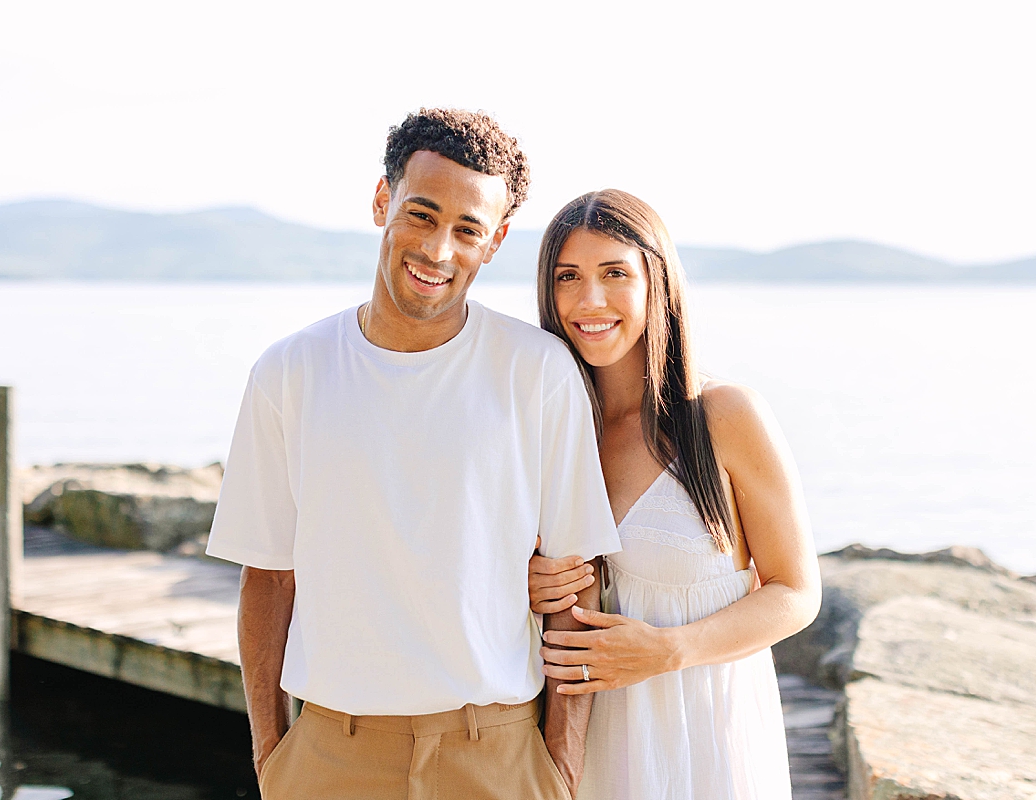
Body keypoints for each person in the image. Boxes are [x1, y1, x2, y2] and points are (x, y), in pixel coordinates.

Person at [206, 109, 620, 800]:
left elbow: (574, 584)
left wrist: (563, 769)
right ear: (382, 201)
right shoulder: (289, 372)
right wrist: (271, 757)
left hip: (498, 755)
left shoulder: (537, 371)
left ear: (495, 243)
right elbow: (268, 576)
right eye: (422, 216)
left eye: (467, 230)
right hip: (329, 757)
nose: (438, 250)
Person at [525, 190, 822, 799]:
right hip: (587, 748)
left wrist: (669, 650)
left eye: (615, 273)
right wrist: (524, 586)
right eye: (568, 277)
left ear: (656, 281)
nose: (590, 300)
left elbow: (797, 593)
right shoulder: (546, 428)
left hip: (705, 739)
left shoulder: (724, 416)